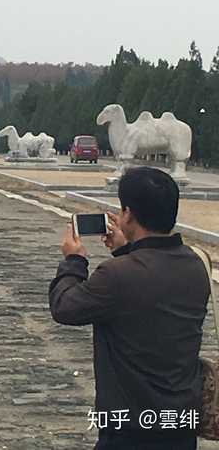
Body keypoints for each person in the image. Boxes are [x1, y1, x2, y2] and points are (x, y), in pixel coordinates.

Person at [49, 167, 208, 450]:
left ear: (128, 215)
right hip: (180, 425)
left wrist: (74, 261)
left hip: (130, 429)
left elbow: (65, 307)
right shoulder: (196, 264)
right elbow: (149, 294)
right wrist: (125, 251)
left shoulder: (116, 275)